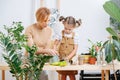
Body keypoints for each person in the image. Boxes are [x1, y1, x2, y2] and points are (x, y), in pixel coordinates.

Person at [25, 7, 58, 80]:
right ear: (38, 19)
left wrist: (53, 50)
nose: (47, 23)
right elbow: (31, 49)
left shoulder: (49, 30)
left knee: (44, 76)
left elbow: (47, 47)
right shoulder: (30, 29)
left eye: (48, 20)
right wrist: (46, 50)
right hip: (30, 60)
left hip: (42, 61)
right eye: (44, 21)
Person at [54, 16, 82, 80]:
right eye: (65, 28)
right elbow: (55, 43)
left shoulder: (75, 36)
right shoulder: (60, 34)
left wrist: (68, 58)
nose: (67, 31)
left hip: (71, 60)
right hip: (62, 59)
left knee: (71, 75)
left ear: (74, 27)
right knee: (63, 75)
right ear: (63, 24)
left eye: (70, 29)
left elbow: (75, 49)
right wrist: (55, 51)